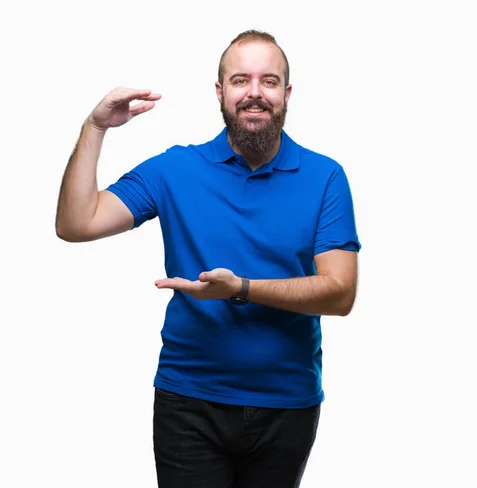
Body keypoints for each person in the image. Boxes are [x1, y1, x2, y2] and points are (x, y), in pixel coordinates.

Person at [55, 29, 361, 488]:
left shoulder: (325, 177)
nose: (254, 93)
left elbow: (340, 294)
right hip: (189, 401)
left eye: (268, 81)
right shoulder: (174, 169)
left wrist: (240, 289)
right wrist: (94, 128)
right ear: (220, 92)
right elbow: (77, 223)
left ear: (286, 94)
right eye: (240, 80)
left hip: (288, 403)